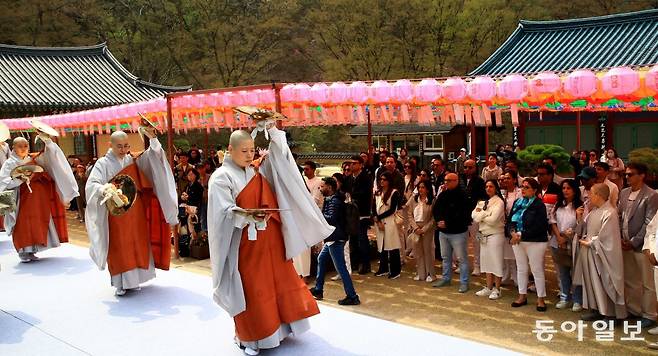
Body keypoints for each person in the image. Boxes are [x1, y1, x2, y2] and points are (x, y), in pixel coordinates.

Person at [208, 124, 332, 355]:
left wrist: (273, 132)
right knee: (253, 288)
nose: (249, 155)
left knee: (278, 282)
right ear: (230, 149)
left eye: (252, 150)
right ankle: (252, 337)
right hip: (245, 243)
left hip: (270, 240)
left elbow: (282, 161)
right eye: (243, 150)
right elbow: (223, 211)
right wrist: (246, 214)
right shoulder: (221, 177)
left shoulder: (256, 171)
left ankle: (281, 329)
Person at [86, 130, 178, 296]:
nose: (123, 149)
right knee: (120, 245)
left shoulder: (132, 160)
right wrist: (104, 188)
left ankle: (136, 279)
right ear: (110, 145)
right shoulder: (103, 163)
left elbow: (154, 158)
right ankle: (122, 282)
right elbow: (92, 184)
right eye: (119, 146)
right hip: (115, 212)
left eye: (126, 145)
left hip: (135, 211)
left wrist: (153, 140)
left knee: (137, 241)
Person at [0, 136, 78, 262]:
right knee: (23, 224)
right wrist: (19, 179)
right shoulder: (9, 163)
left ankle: (33, 248)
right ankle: (23, 251)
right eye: (20, 146)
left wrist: (48, 141)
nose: (23, 149)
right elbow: (3, 182)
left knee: (37, 222)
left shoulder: (33, 159)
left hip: (36, 199)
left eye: (25, 146)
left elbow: (50, 158)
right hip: (20, 199)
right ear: (13, 147)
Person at [573, 183, 627, 321]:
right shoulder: (593, 212)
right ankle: (596, 309)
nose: (589, 196)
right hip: (590, 253)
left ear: (598, 195)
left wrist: (591, 243)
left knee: (605, 281)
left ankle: (610, 314)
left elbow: (608, 238)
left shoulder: (610, 212)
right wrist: (579, 218)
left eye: (591, 193)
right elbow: (584, 229)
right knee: (592, 282)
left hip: (603, 255)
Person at [618, 162, 658, 328]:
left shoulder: (651, 195)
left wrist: (634, 241)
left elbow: (649, 222)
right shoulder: (624, 192)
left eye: (631, 174)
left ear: (642, 175)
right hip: (624, 242)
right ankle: (634, 309)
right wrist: (621, 238)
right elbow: (620, 215)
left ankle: (650, 314)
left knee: (647, 283)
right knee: (630, 279)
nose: (627, 177)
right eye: (626, 174)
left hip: (642, 245)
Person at [309, 177, 360, 305]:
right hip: (333, 237)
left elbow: (331, 218)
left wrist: (317, 214)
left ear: (330, 187)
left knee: (341, 268)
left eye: (322, 186)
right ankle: (318, 289)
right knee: (321, 259)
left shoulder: (335, 201)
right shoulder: (332, 199)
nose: (320, 189)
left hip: (336, 238)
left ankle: (352, 296)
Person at [508, 178, 549, 312]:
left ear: (535, 190)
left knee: (537, 269)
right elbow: (510, 221)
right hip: (517, 240)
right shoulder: (517, 202)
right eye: (522, 187)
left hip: (535, 241)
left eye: (527, 187)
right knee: (521, 268)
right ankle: (522, 295)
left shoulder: (539, 205)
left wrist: (520, 235)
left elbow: (540, 226)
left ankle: (541, 299)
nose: (523, 189)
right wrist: (512, 233)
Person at [432, 173, 471, 293]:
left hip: (458, 232)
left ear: (456, 181)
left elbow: (463, 214)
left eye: (448, 180)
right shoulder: (443, 194)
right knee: (445, 257)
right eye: (445, 180)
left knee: (462, 258)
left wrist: (447, 222)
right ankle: (446, 278)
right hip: (443, 232)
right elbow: (436, 209)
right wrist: (439, 220)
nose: (446, 183)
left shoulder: (463, 196)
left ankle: (464, 282)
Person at [549, 179, 583, 312]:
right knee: (562, 273)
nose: (565, 191)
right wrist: (558, 237)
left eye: (568, 188)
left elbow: (581, 225)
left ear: (575, 190)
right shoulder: (558, 205)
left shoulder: (580, 207)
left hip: (573, 244)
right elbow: (553, 221)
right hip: (557, 243)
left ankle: (577, 299)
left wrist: (566, 237)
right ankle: (564, 297)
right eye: (563, 188)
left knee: (575, 273)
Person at [472, 179, 506, 300]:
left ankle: (497, 288)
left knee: (496, 262)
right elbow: (474, 217)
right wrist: (485, 214)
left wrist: (482, 215)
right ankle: (488, 286)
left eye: (491, 186)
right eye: (486, 186)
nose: (488, 188)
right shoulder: (483, 201)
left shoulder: (499, 202)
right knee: (486, 262)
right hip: (483, 235)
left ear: (495, 188)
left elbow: (493, 220)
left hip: (495, 235)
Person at [294, 160, 323, 280]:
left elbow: (314, 200)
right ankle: (298, 273)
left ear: (313, 169)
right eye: (304, 169)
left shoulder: (318, 182)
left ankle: (305, 274)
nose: (305, 171)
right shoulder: (302, 181)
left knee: (306, 248)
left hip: (311, 216)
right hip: (298, 216)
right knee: (297, 247)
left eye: (307, 169)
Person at [372, 171, 402, 279]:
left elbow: (392, 209)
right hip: (379, 222)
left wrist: (379, 217)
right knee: (382, 246)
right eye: (381, 179)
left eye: (384, 179)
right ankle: (383, 268)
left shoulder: (394, 193)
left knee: (392, 246)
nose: (382, 181)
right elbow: (373, 207)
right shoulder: (378, 193)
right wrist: (376, 218)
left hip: (389, 222)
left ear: (389, 181)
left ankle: (395, 270)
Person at [461, 159, 487, 276]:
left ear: (475, 168)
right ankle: (463, 265)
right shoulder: (459, 179)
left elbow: (483, 199)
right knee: (462, 242)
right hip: (462, 216)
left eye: (470, 167)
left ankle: (478, 265)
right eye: (465, 167)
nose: (467, 169)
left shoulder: (480, 181)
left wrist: (478, 213)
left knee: (478, 242)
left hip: (476, 218)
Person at [407, 180, 435, 282]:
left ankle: (430, 274)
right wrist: (415, 228)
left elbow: (433, 218)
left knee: (427, 251)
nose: (420, 189)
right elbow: (409, 215)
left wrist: (425, 228)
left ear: (427, 189)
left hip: (427, 228)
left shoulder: (432, 200)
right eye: (419, 187)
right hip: (416, 228)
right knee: (417, 251)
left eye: (423, 187)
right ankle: (420, 273)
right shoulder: (413, 200)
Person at [350, 155, 374, 275]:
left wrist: (352, 197)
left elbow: (364, 194)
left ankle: (365, 264)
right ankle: (354, 263)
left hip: (362, 212)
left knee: (362, 239)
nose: (352, 165)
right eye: (351, 163)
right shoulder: (350, 178)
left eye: (355, 163)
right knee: (353, 240)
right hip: (351, 213)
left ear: (360, 165)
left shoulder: (366, 177)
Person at [499, 170, 520, 286]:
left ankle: (517, 277)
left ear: (515, 180)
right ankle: (506, 274)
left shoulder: (520, 193)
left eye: (508, 178)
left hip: (516, 226)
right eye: (504, 179)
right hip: (505, 226)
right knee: (506, 253)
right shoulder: (502, 193)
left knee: (516, 253)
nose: (505, 180)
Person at [178, 168, 204, 256]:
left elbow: (198, 198)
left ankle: (194, 247)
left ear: (196, 175)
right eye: (188, 175)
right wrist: (183, 197)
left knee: (193, 228)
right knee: (184, 228)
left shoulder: (198, 186)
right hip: (186, 208)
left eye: (192, 174)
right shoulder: (188, 185)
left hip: (194, 209)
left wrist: (188, 197)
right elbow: (183, 194)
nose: (190, 176)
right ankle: (185, 248)